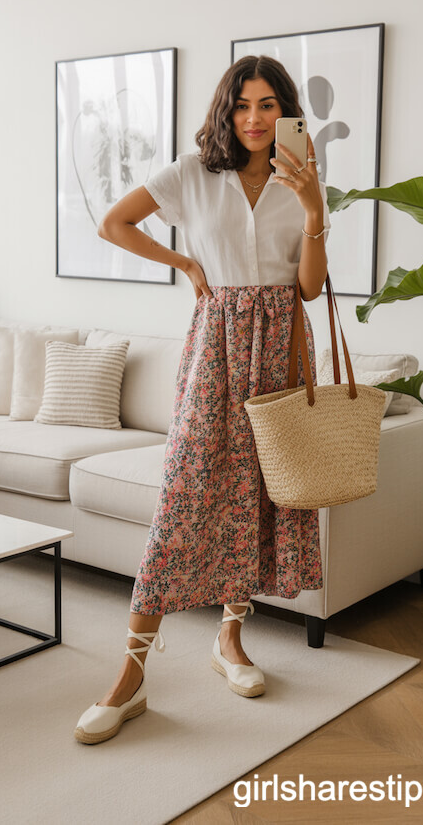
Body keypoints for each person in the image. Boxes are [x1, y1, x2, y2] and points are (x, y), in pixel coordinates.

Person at [74, 55, 331, 745]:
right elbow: (113, 224)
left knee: (255, 493)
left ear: (286, 112)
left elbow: (307, 289)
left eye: (269, 105)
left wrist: (312, 210)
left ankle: (230, 640)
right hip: (216, 350)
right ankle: (129, 679)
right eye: (243, 104)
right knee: (187, 497)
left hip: (281, 348)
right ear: (227, 110)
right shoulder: (192, 175)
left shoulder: (303, 178)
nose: (255, 118)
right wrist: (185, 263)